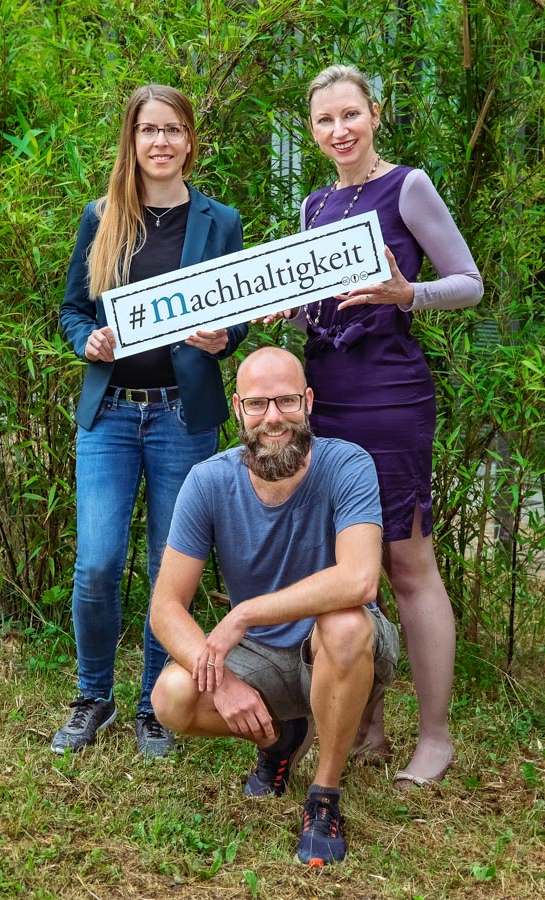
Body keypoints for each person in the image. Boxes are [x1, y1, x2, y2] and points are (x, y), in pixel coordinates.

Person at [284, 64, 484, 788]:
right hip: (324, 395)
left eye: (349, 115)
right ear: (311, 131)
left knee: (406, 564)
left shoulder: (408, 187)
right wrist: (292, 308)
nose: (338, 131)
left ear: (374, 113)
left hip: (389, 397)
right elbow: (325, 302)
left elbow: (468, 282)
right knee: (343, 568)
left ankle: (433, 738)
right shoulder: (312, 205)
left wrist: (409, 293)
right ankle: (362, 723)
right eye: (322, 121)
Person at [53, 84, 247, 758]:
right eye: (147, 130)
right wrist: (88, 341)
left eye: (172, 130)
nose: (160, 142)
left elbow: (238, 311)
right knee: (98, 563)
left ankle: (152, 709)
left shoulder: (220, 221)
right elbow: (73, 309)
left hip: (183, 418)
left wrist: (226, 337)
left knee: (173, 571)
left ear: (191, 140)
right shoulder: (101, 215)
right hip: (110, 415)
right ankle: (93, 698)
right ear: (130, 140)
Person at [150, 347, 399, 866]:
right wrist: (224, 683)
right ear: (238, 408)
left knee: (347, 625)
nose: (273, 418)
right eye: (259, 404)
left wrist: (244, 613)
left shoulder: (348, 463)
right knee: (172, 696)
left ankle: (324, 795)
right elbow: (166, 608)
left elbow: (360, 579)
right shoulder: (209, 480)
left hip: (338, 648)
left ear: (307, 402)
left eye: (286, 401)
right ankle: (285, 735)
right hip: (262, 657)